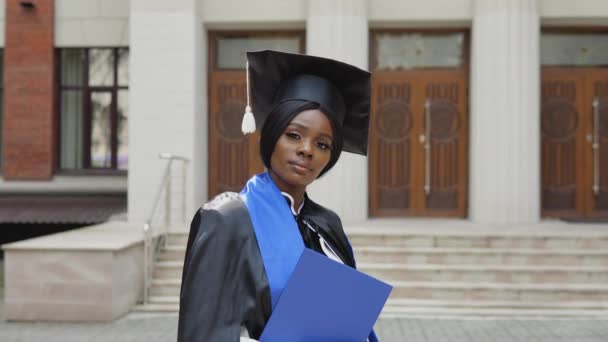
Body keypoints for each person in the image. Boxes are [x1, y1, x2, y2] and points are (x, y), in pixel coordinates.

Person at [177, 50, 376, 341]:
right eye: (294, 135)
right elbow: (203, 332)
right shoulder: (228, 219)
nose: (307, 149)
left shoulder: (327, 224)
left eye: (322, 144)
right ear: (272, 135)